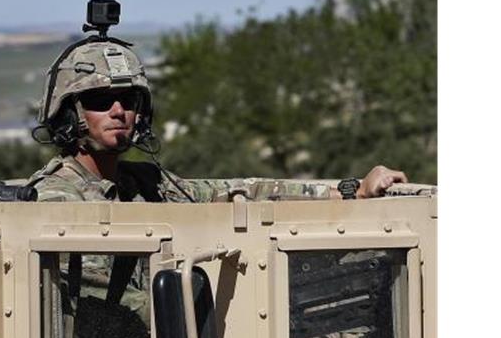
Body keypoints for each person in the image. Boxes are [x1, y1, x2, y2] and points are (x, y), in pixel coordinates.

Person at [27, 18, 408, 204]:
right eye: (98, 102)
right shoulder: (55, 199)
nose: (118, 111)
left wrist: (352, 191)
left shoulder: (146, 184)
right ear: (68, 115)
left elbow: (242, 191)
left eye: (130, 101)